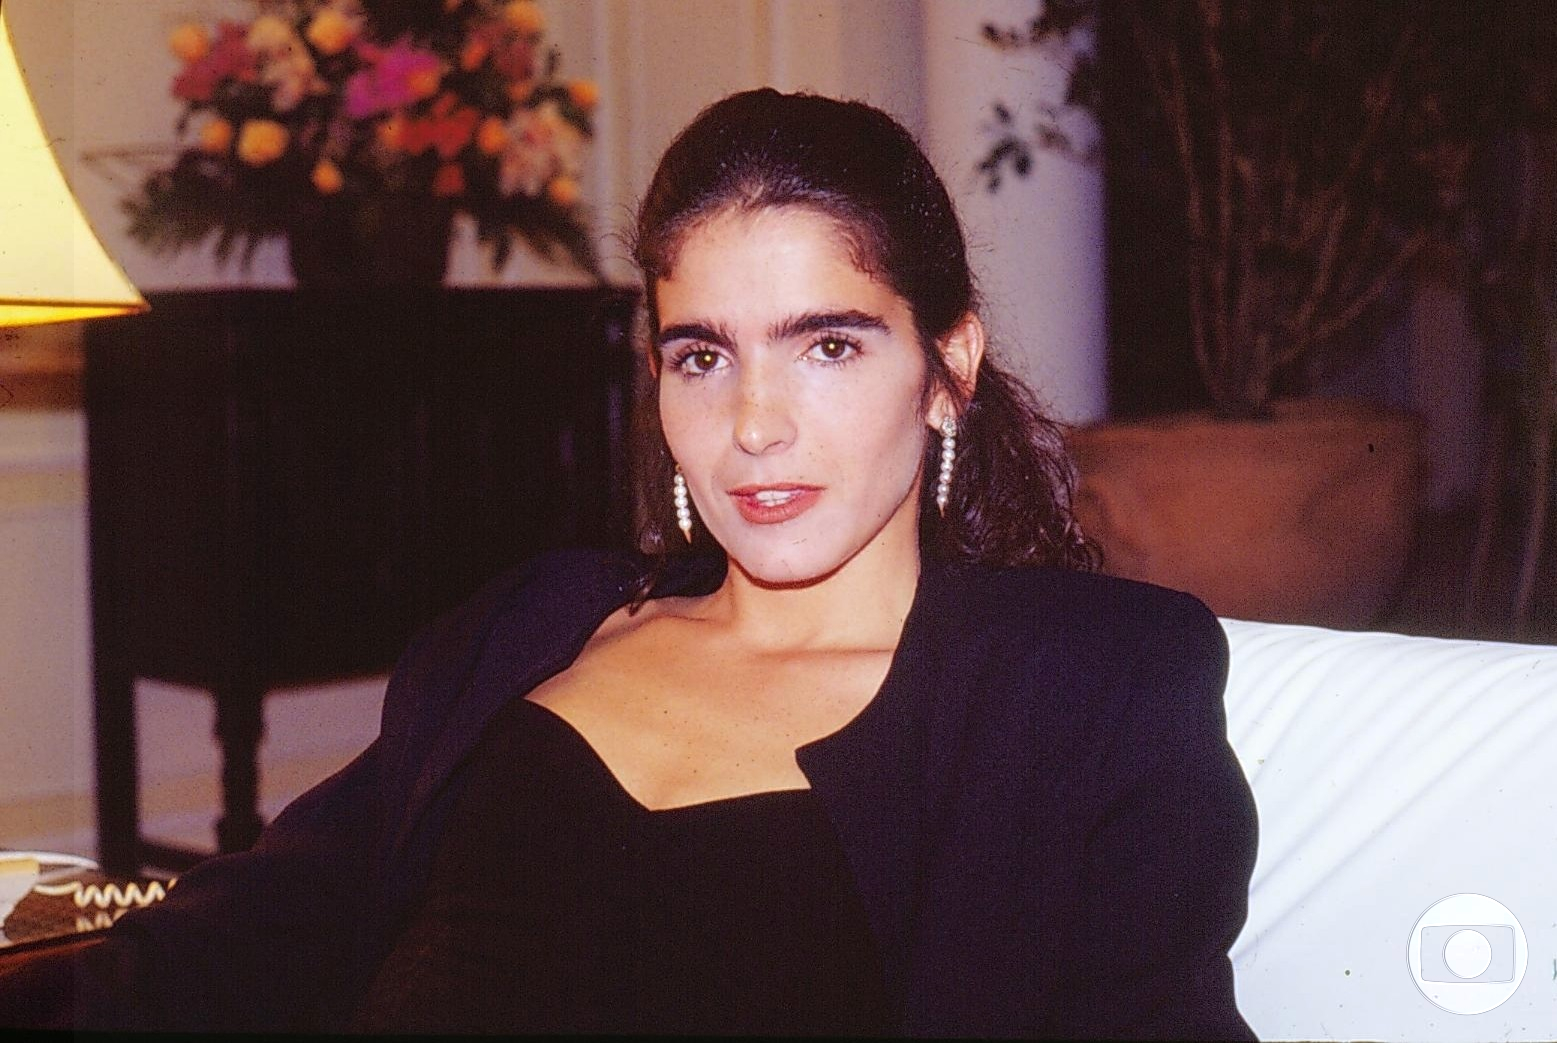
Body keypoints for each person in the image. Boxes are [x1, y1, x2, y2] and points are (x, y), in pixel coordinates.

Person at [53, 89, 1257, 1037]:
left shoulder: (1085, 681)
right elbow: (229, 944)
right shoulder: (531, 625)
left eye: (828, 346)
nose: (754, 424)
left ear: (949, 368)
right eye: (702, 357)